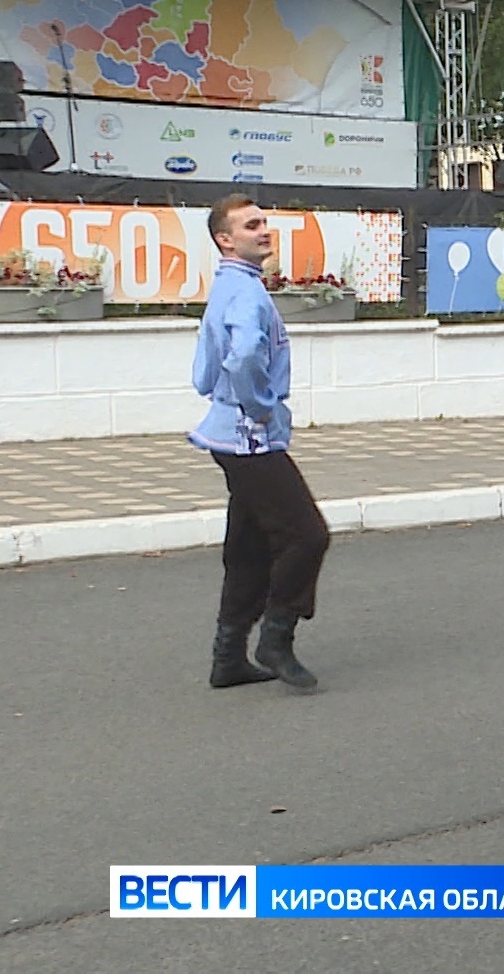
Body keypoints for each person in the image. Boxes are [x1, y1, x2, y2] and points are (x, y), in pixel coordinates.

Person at [188, 194, 325, 691]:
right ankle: (275, 638)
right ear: (225, 239)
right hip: (250, 436)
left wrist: (220, 395)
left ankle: (227, 660)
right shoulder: (246, 293)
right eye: (251, 225)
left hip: (226, 432)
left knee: (249, 547)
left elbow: (204, 367)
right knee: (307, 535)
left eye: (264, 222)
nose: (264, 231)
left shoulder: (227, 286)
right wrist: (261, 405)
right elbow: (243, 355)